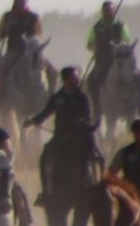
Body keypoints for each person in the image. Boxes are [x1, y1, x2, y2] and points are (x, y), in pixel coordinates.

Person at [26, 67, 98, 204]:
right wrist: (33, 121)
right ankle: (46, 193)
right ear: (65, 80)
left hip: (80, 134)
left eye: (76, 77)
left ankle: (97, 189)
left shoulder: (82, 97)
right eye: (73, 78)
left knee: (96, 156)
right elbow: (45, 113)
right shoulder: (57, 98)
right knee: (45, 157)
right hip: (61, 135)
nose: (76, 80)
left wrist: (81, 121)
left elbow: (88, 116)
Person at [0, 0, 42, 93]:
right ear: (15, 1)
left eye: (24, 0)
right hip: (13, 52)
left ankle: (48, 93)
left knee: (52, 71)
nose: (22, 3)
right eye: (19, 0)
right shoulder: (8, 16)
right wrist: (4, 32)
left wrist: (30, 38)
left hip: (30, 53)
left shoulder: (34, 17)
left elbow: (39, 35)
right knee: (0, 70)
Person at [86, 0, 131, 88]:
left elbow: (127, 42)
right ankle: (95, 101)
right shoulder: (96, 27)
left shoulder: (121, 26)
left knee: (137, 77)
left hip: (119, 60)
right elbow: (89, 45)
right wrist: (95, 48)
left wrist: (119, 46)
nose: (108, 13)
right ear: (102, 12)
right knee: (91, 80)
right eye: (105, 11)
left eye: (110, 11)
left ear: (114, 11)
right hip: (102, 61)